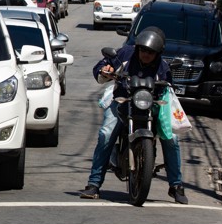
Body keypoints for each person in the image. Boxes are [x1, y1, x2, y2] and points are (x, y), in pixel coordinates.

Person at [79, 26, 188, 204]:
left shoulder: (163, 67)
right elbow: (100, 67)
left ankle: (176, 185)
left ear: (158, 53)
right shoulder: (125, 54)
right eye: (143, 50)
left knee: (172, 139)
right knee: (106, 134)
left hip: (152, 106)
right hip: (122, 102)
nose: (146, 54)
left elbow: (169, 87)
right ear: (137, 47)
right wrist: (104, 70)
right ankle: (94, 184)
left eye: (150, 52)